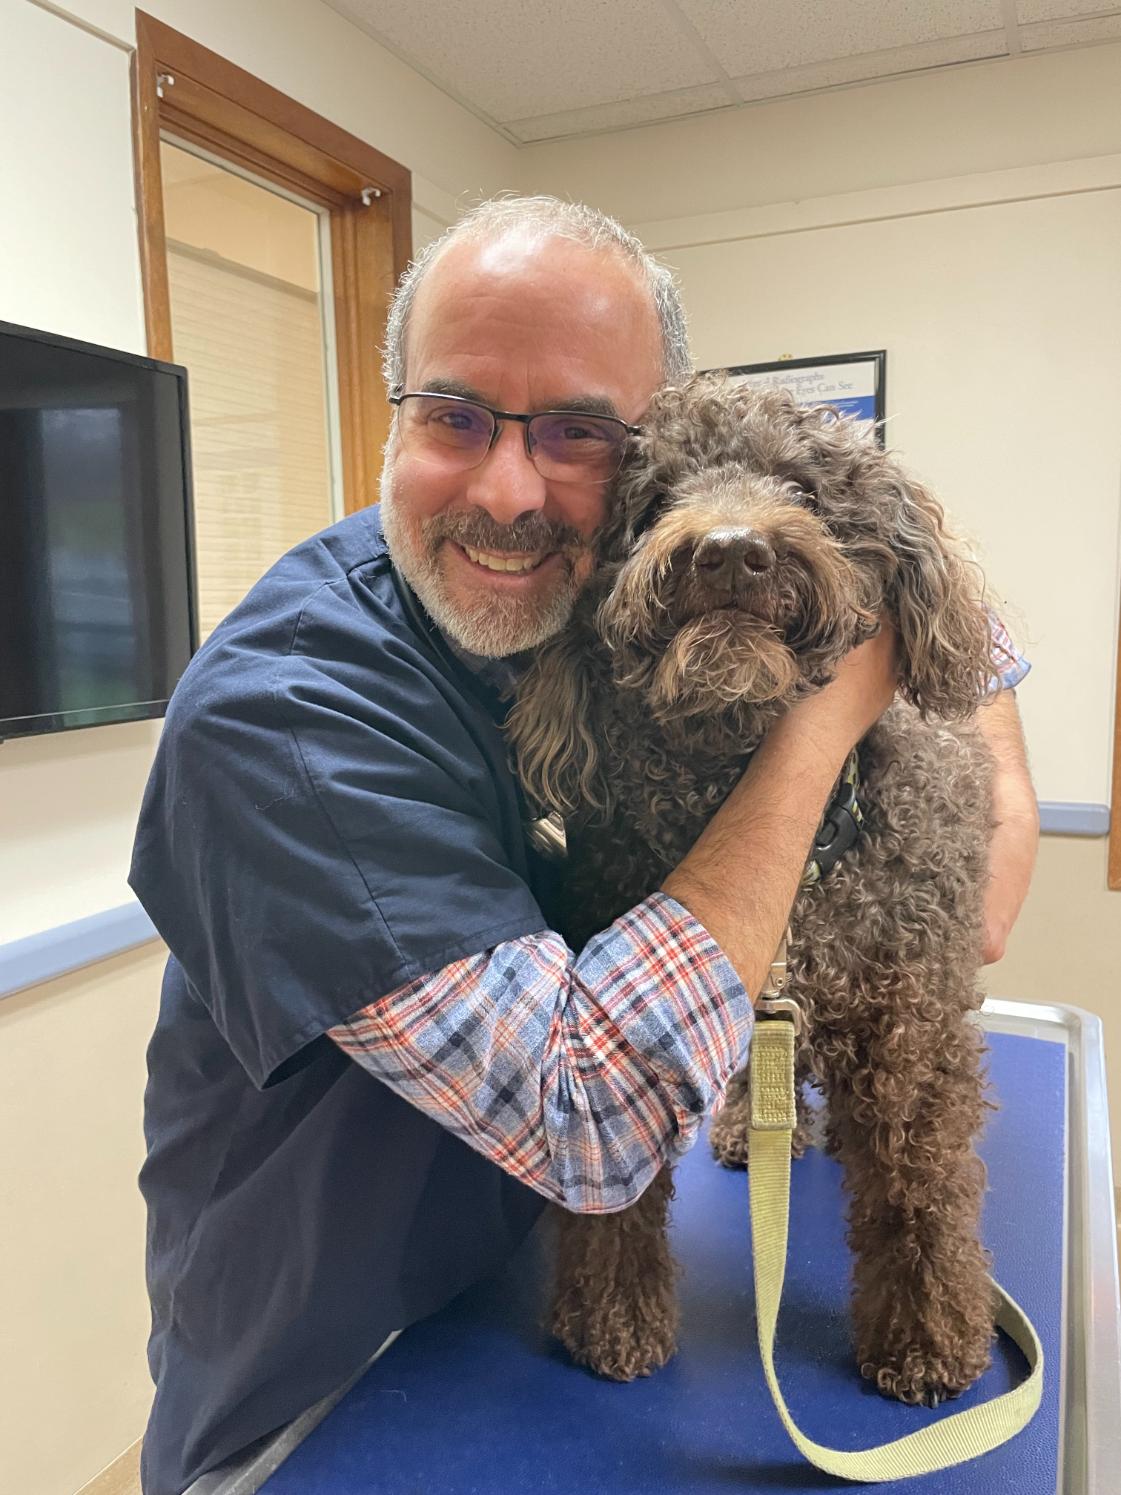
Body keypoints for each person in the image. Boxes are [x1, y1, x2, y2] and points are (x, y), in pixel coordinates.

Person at [129, 196, 1038, 1494]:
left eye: (574, 432)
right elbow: (591, 1119)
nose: (505, 490)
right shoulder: (285, 721)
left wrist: (974, 725)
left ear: (648, 443)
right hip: (323, 1387)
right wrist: (828, 715)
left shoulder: (573, 602)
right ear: (392, 418)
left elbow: (933, 601)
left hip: (508, 1292)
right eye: (451, 415)